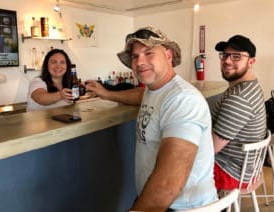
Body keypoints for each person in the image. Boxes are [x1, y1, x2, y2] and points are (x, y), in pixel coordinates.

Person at [85, 27, 217, 211]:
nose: (139, 61)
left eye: (148, 53)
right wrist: (107, 94)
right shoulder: (154, 89)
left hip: (181, 206)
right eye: (134, 56)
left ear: (168, 56)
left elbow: (167, 184)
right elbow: (140, 95)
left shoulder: (183, 100)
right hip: (162, 201)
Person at [211, 35, 267, 190]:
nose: (227, 61)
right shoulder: (249, 86)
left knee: (173, 167)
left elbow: (210, 148)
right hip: (244, 167)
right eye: (225, 55)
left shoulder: (239, 98)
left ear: (251, 61)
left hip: (230, 172)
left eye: (237, 56)